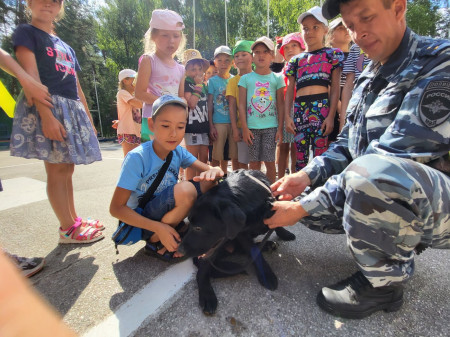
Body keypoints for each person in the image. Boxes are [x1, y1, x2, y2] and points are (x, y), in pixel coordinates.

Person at [265, 0, 450, 319]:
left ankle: (384, 286)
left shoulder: (438, 61)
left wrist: (301, 207)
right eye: (350, 25)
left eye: (367, 17)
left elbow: (393, 156)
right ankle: (399, 241)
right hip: (401, 190)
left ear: (398, 8)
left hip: (439, 204)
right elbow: (347, 145)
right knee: (310, 201)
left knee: (363, 177)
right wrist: (305, 177)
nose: (358, 33)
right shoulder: (369, 75)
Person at [12, 0, 104, 244]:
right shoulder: (26, 33)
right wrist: (47, 116)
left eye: (55, 0)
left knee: (67, 168)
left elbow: (76, 86)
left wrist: (87, 117)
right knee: (56, 168)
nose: (48, 4)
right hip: (49, 105)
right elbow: (31, 77)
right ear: (30, 3)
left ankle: (73, 220)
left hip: (71, 109)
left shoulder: (64, 45)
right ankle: (66, 229)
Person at [110, 95, 223, 262]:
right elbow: (116, 209)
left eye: (180, 126)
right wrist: (158, 228)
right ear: (151, 125)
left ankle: (182, 228)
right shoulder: (137, 158)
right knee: (186, 189)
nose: (173, 133)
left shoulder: (178, 151)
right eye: (165, 125)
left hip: (163, 209)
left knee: (209, 182)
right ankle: (155, 241)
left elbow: (212, 170)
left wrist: (215, 171)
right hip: (143, 222)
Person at [285, 6, 344, 172]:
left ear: (325, 30)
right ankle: (299, 191)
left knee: (321, 154)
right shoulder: (296, 60)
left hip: (322, 109)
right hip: (300, 110)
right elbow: (290, 90)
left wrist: (331, 116)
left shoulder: (333, 55)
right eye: (305, 28)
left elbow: (335, 89)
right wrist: (287, 116)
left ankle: (319, 191)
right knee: (300, 155)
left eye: (315, 27)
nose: (309, 32)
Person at [238, 37, 285, 183]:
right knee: (254, 164)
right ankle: (255, 191)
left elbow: (280, 104)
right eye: (257, 52)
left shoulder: (277, 78)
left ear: (272, 55)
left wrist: (280, 128)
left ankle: (271, 193)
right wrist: (244, 128)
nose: (261, 55)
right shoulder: (245, 79)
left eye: (265, 51)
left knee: (270, 163)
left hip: (271, 127)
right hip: (252, 129)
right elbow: (241, 105)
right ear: (252, 57)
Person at [135, 9, 186, 142]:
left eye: (176, 36)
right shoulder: (149, 60)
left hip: (174, 121)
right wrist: (166, 102)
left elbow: (181, 96)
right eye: (165, 35)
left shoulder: (181, 69)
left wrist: (183, 104)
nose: (171, 41)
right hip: (154, 120)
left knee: (172, 160)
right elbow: (139, 93)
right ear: (153, 37)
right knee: (155, 160)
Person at [276, 33, 306, 178]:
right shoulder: (282, 71)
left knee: (297, 147)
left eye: (294, 45)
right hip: (285, 110)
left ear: (302, 47)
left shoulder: (307, 68)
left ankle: (294, 178)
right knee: (282, 146)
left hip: (301, 109)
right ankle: (280, 179)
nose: (290, 49)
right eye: (286, 47)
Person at [208, 45, 238, 175]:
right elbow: (209, 104)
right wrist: (211, 125)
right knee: (217, 154)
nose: (223, 63)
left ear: (232, 62)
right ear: (215, 63)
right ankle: (215, 179)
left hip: (234, 123)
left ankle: (227, 176)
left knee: (232, 154)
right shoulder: (212, 81)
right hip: (218, 122)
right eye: (219, 60)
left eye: (227, 60)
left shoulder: (235, 79)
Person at [226, 40, 254, 170]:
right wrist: (235, 129)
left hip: (260, 126)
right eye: (236, 56)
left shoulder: (259, 77)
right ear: (234, 61)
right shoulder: (232, 81)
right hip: (241, 127)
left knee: (257, 160)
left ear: (252, 56)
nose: (240, 58)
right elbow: (232, 107)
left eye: (244, 54)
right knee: (243, 160)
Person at [183, 49, 210, 180]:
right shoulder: (186, 83)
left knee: (203, 161)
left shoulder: (203, 85)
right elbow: (191, 103)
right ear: (186, 70)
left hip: (203, 127)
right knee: (192, 162)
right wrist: (198, 86)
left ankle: (201, 190)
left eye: (200, 69)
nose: (197, 72)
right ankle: (189, 187)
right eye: (193, 69)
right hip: (192, 128)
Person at [325, 17, 352, 142]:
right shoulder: (327, 57)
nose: (346, 31)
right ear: (330, 35)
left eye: (347, 27)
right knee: (333, 146)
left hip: (353, 106)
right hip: (332, 108)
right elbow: (326, 83)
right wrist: (340, 107)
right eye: (341, 28)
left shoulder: (358, 54)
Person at [340, 43, 371, 125]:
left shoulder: (388, 43)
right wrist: (343, 122)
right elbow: (349, 86)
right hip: (357, 110)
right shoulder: (355, 48)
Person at [116, 69, 143, 157]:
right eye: (134, 79)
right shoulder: (123, 93)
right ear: (125, 80)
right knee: (129, 158)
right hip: (127, 130)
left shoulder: (132, 95)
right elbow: (139, 103)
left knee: (135, 159)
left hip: (135, 131)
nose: (136, 82)